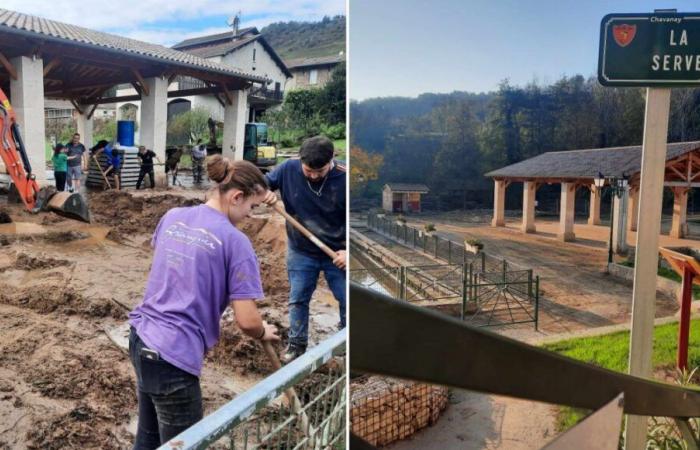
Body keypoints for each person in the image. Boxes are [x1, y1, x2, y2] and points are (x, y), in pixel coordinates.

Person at [128, 154, 279, 449]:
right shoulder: (236, 243)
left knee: (147, 439)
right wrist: (263, 332)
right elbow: (247, 321)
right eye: (252, 206)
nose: (251, 215)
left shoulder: (172, 216)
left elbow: (170, 261)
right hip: (174, 356)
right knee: (185, 444)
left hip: (141, 338)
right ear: (236, 197)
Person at [263, 136, 346, 362]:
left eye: (319, 171)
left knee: (347, 299)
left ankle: (345, 341)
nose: (313, 175)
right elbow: (260, 183)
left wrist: (349, 252)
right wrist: (264, 191)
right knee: (298, 298)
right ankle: (297, 345)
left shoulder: (345, 179)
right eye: (308, 170)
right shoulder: (288, 169)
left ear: (332, 160)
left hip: (337, 253)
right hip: (301, 250)